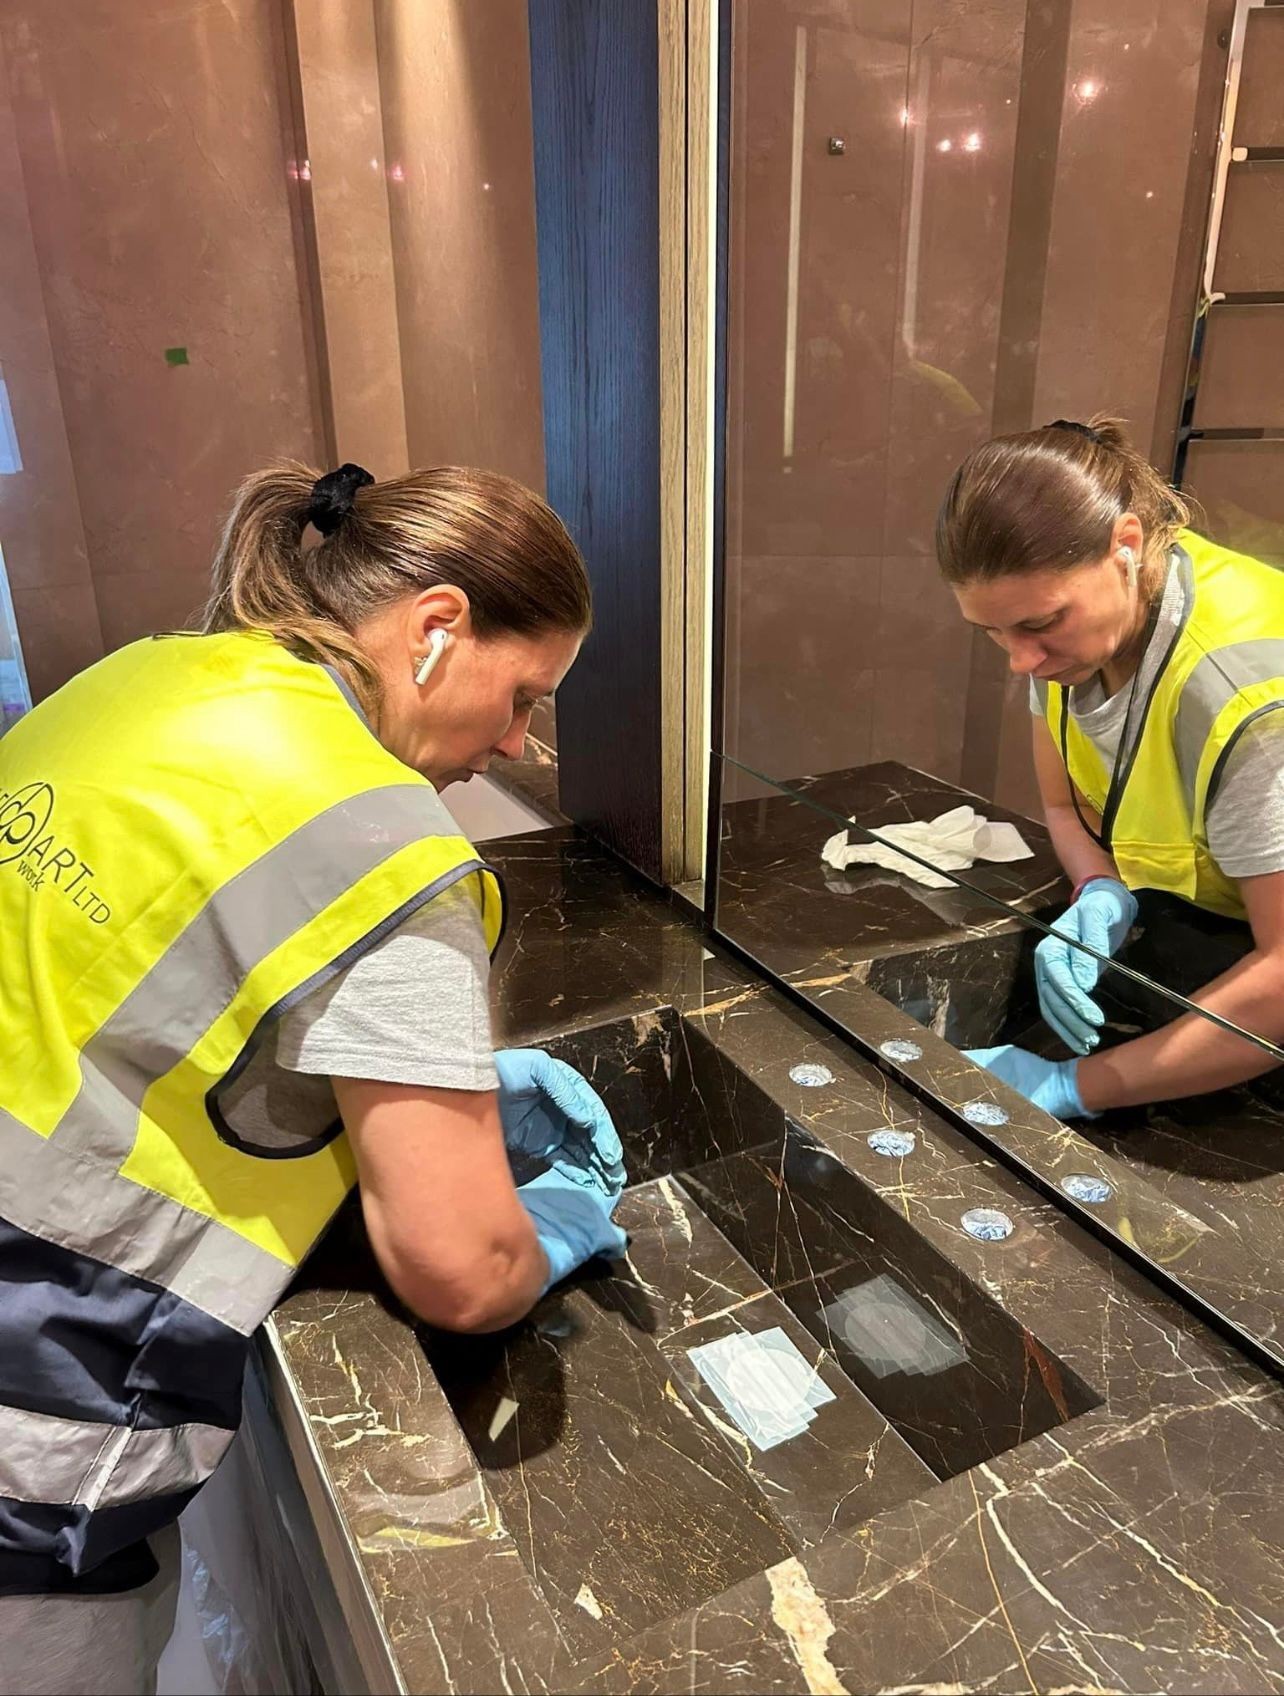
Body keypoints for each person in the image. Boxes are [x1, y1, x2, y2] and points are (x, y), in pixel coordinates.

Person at [0, 460, 627, 1693]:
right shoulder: (386, 845)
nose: (517, 741)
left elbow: (141, 969)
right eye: (524, 695)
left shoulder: (145, 675)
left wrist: (412, 1079)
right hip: (36, 1395)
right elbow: (457, 1268)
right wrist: (546, 1232)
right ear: (438, 626)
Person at [935, 417, 1284, 1121]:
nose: (1019, 660)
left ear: (1126, 544)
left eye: (1038, 624)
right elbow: (1067, 809)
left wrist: (1076, 1087)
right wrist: (1098, 885)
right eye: (993, 632)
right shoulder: (1076, 636)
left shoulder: (1248, 701)